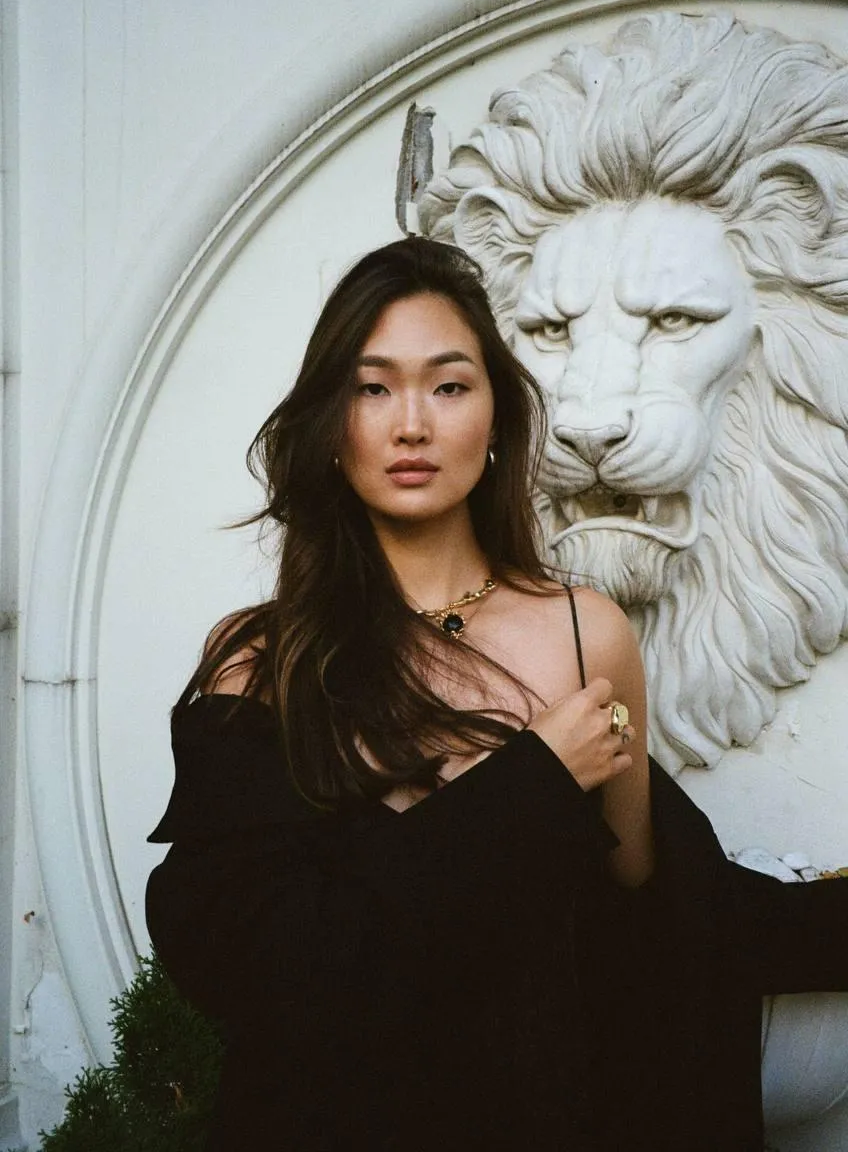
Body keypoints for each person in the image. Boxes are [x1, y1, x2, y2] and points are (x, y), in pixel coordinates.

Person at [146, 236, 848, 1152]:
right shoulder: (259, 661)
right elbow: (276, 968)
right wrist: (534, 782)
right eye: (372, 388)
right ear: (331, 425)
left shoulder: (586, 635)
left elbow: (668, 916)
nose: (411, 424)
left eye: (448, 385)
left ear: (496, 420)